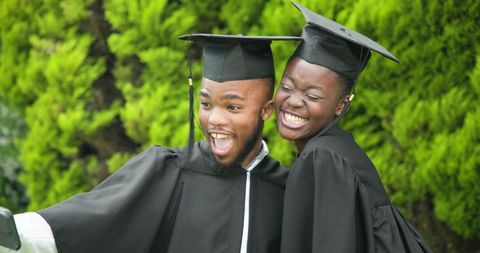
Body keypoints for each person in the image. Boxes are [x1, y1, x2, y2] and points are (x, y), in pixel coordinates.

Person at [0, 34, 300, 253]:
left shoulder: (285, 190)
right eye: (206, 104)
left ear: (266, 111)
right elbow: (93, 216)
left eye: (232, 107)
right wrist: (16, 231)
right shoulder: (168, 171)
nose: (214, 119)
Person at [276, 2, 433, 253]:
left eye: (313, 96)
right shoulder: (334, 147)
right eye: (286, 87)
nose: (293, 101)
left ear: (341, 105)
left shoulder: (324, 157)